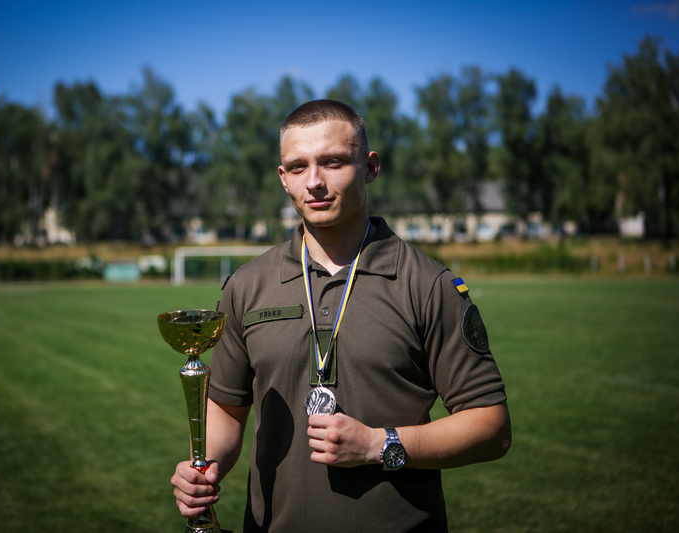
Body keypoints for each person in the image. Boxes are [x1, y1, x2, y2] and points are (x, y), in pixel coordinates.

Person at [170, 100, 511, 532]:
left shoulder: (427, 284)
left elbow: (491, 427)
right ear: (283, 178)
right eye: (298, 167)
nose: (314, 182)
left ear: (370, 167)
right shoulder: (247, 285)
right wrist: (204, 465)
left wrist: (378, 444)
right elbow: (226, 407)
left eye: (332, 162)